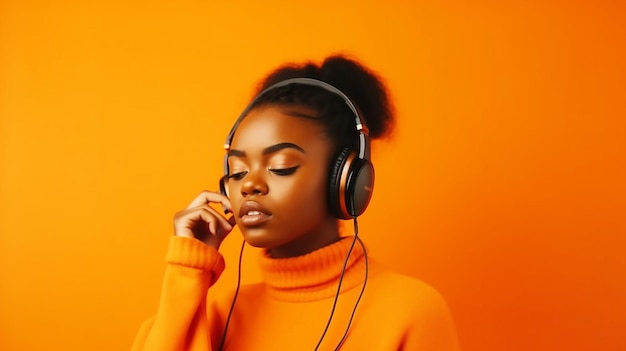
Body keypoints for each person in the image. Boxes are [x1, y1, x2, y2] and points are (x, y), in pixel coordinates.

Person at [131, 55, 460, 350]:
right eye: (237, 171)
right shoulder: (218, 316)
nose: (250, 185)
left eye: (280, 167)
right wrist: (188, 268)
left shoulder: (409, 310)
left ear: (345, 180)